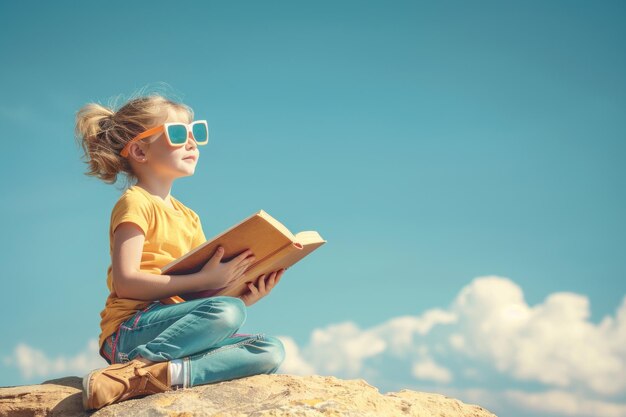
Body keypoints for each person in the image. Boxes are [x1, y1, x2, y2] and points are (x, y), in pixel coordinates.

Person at [74, 93, 286, 410]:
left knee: (270, 349)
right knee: (226, 311)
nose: (191, 143)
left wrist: (242, 294)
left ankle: (156, 376)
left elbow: (196, 298)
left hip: (175, 332)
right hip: (131, 330)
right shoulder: (136, 203)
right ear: (139, 150)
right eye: (177, 134)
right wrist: (215, 291)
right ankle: (136, 368)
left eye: (195, 133)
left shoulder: (190, 217)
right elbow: (127, 282)